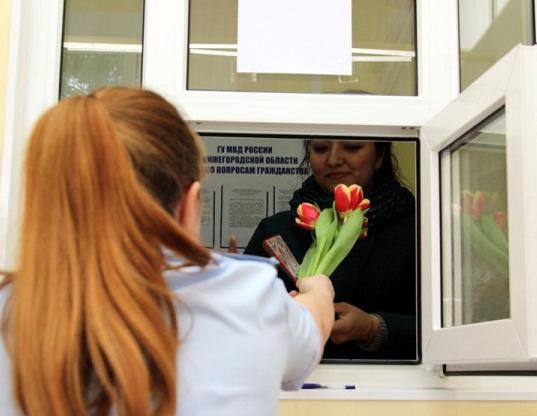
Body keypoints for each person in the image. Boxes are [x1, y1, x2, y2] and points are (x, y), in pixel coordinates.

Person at [0, 87, 335, 416]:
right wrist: (319, 291)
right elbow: (312, 327)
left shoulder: (9, 309)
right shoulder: (249, 296)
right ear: (188, 205)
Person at [245, 139, 416, 360]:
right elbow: (243, 321)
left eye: (352, 147)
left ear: (379, 157)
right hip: (292, 383)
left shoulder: (417, 229)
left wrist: (373, 327)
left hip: (389, 384)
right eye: (320, 148)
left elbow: (442, 327)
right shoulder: (276, 231)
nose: (334, 160)